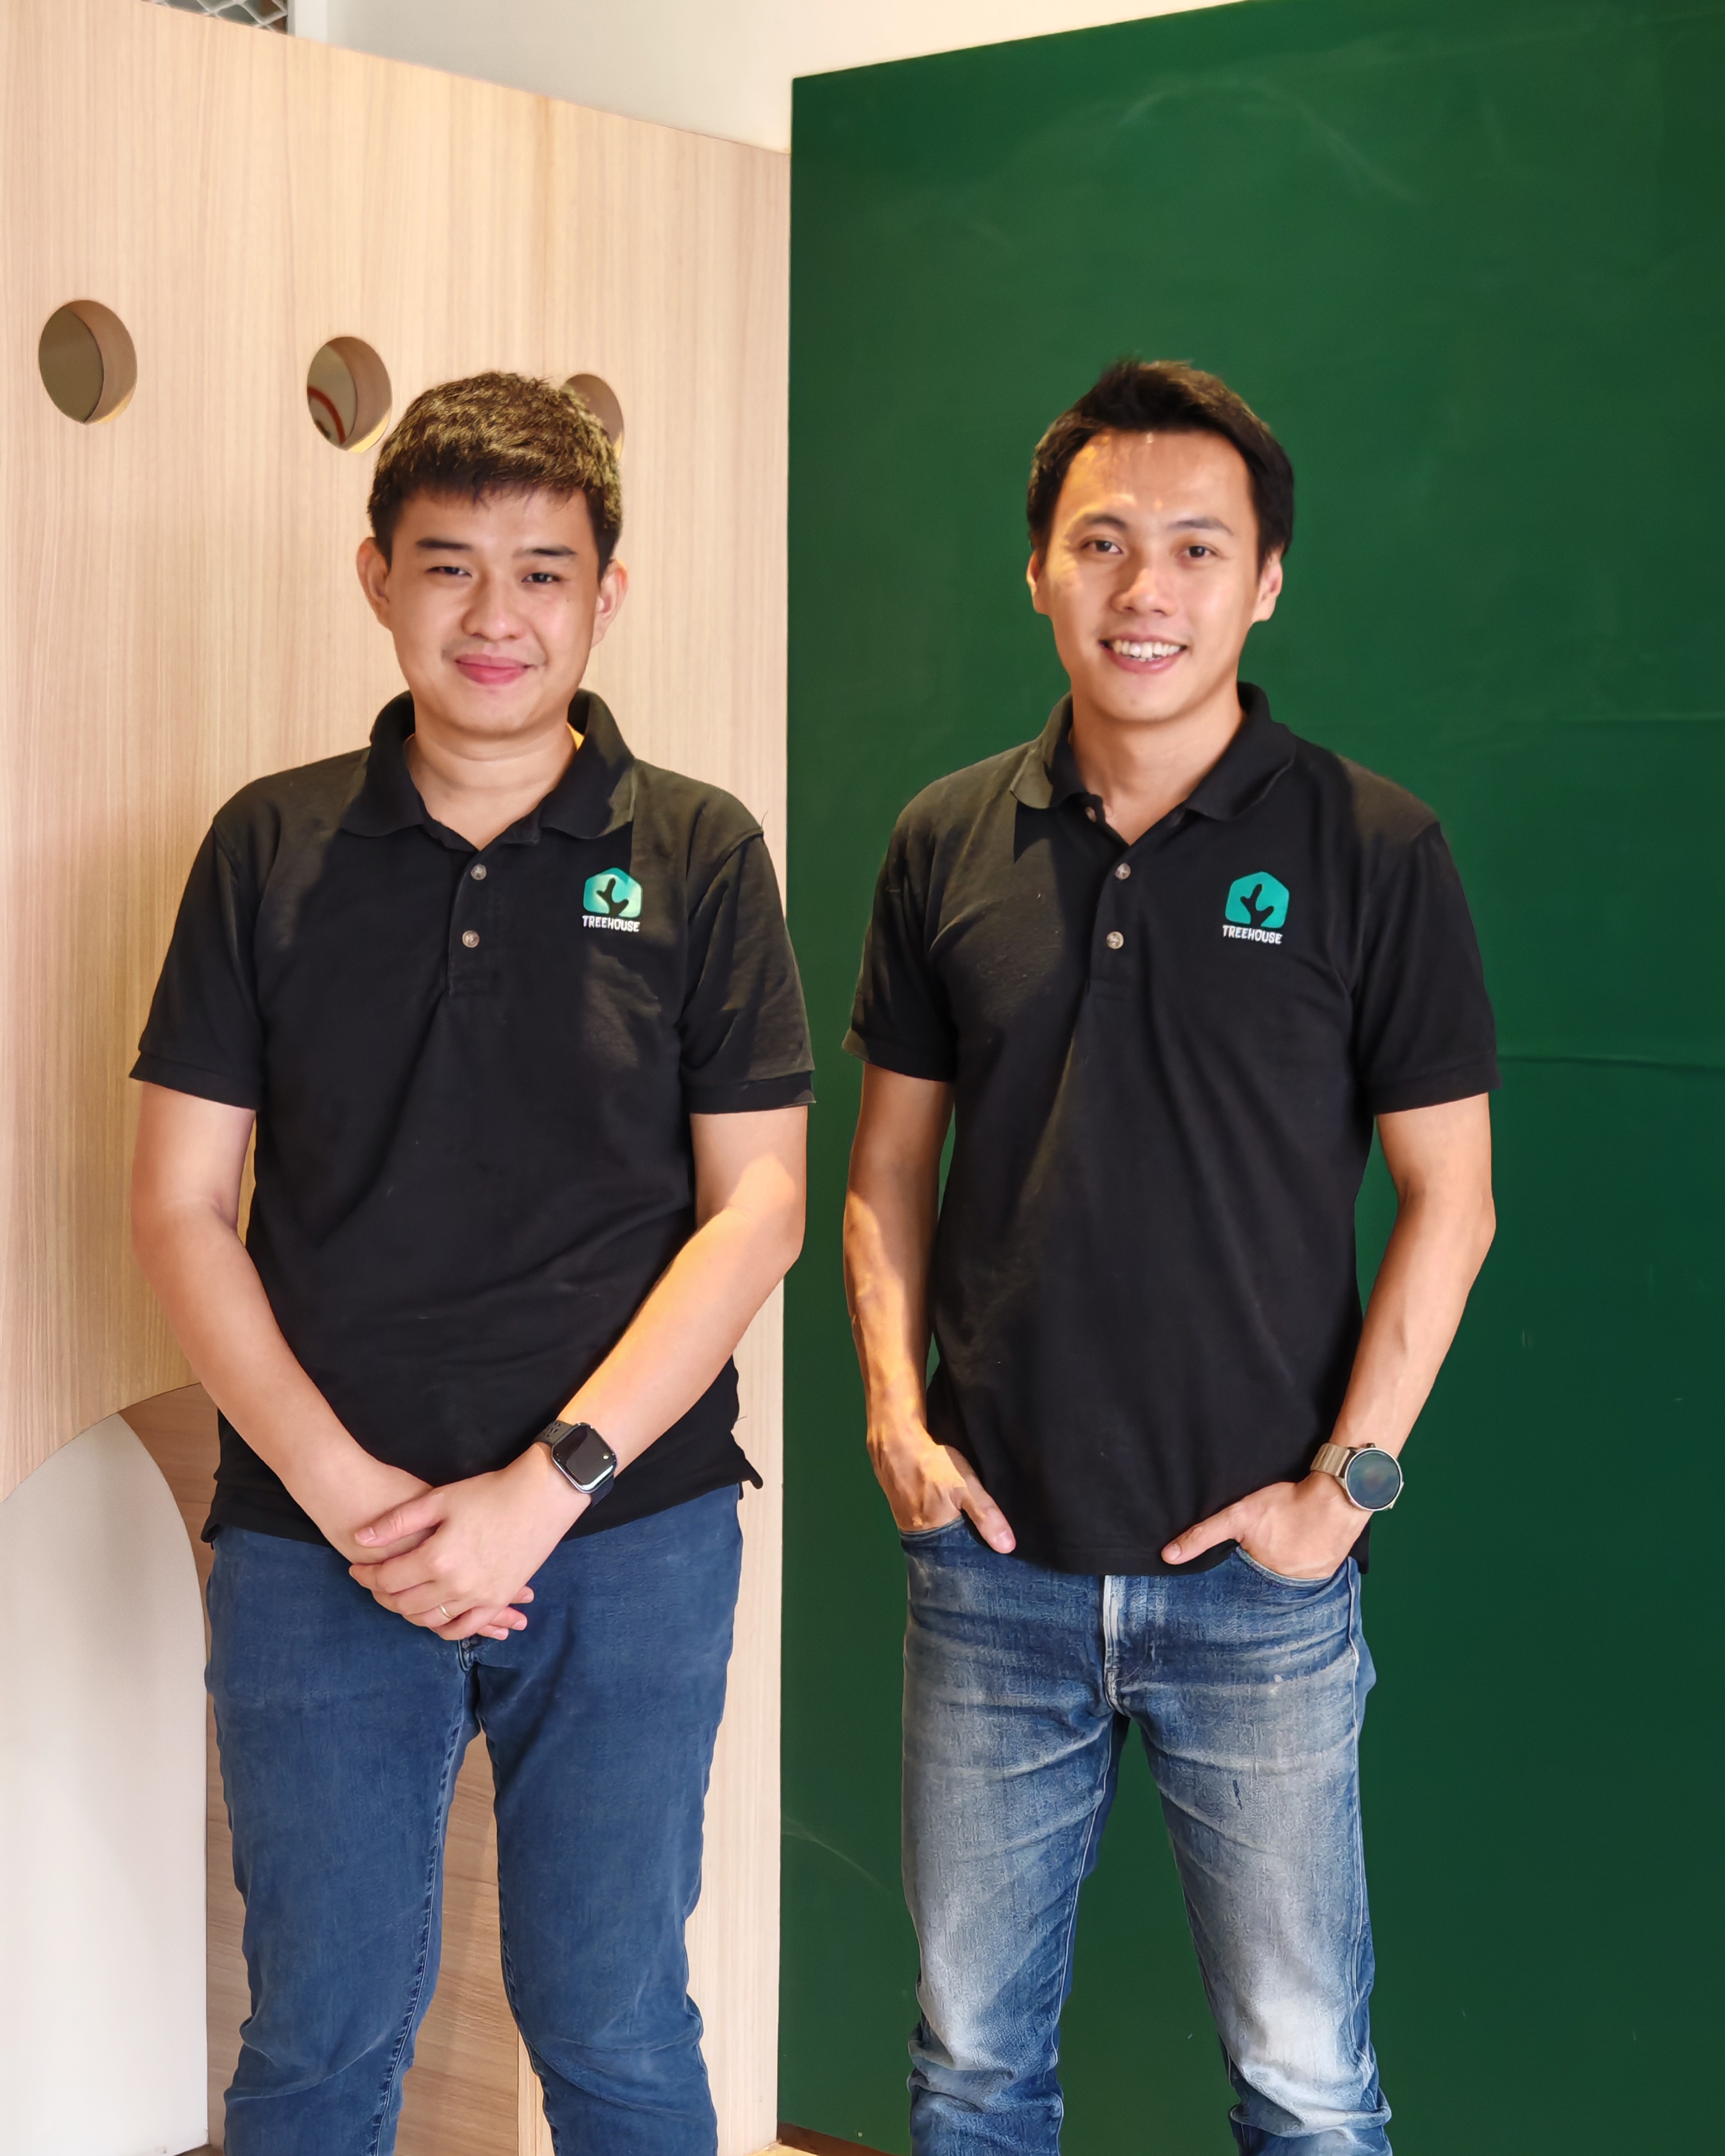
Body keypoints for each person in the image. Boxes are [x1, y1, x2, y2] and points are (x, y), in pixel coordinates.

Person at [130, 372, 813, 2155]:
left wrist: (545, 1487)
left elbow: (760, 1206)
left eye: (542, 572)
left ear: (607, 595)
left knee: (615, 2022)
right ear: (376, 579)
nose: (494, 616)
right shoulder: (268, 845)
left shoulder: (701, 852)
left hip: (631, 1529)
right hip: (316, 1540)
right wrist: (349, 1495)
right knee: (318, 2033)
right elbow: (182, 1205)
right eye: (447, 567)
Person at [843, 360, 1498, 2155]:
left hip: (1261, 1591)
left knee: (1308, 2087)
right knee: (972, 2073)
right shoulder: (946, 839)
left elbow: (1454, 1196)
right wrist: (897, 1419)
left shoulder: (1374, 849)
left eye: (1198, 548)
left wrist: (1347, 1490)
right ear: (1038, 571)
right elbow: (886, 1168)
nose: (1147, 589)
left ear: (1265, 580)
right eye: (1103, 542)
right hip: (993, 1572)